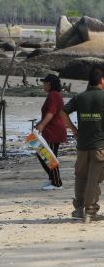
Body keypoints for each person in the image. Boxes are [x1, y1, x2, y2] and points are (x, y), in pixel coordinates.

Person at [60, 66, 104, 223]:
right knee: (94, 179)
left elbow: (62, 112)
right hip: (100, 146)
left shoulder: (80, 97)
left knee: (80, 177)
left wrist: (74, 130)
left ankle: (78, 209)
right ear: (102, 80)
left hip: (82, 145)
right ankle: (90, 212)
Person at [34, 74, 66, 190]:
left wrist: (42, 124)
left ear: (49, 83)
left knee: (49, 157)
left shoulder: (53, 95)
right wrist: (40, 123)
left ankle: (57, 183)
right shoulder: (54, 95)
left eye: (44, 83)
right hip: (52, 130)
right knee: (45, 155)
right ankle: (53, 179)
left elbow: (51, 113)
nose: (43, 85)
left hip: (54, 131)